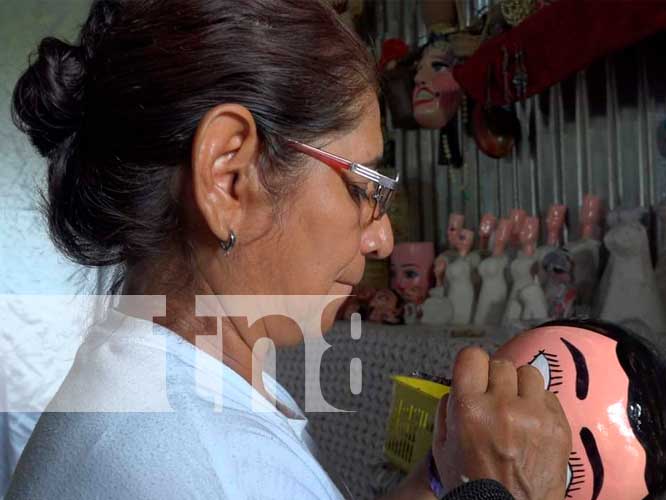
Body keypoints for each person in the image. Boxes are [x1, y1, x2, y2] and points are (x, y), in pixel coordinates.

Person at [7, 1, 571, 499]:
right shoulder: (213, 463)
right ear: (229, 178)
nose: (382, 239)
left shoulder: (157, 383)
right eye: (360, 187)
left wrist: (443, 479)